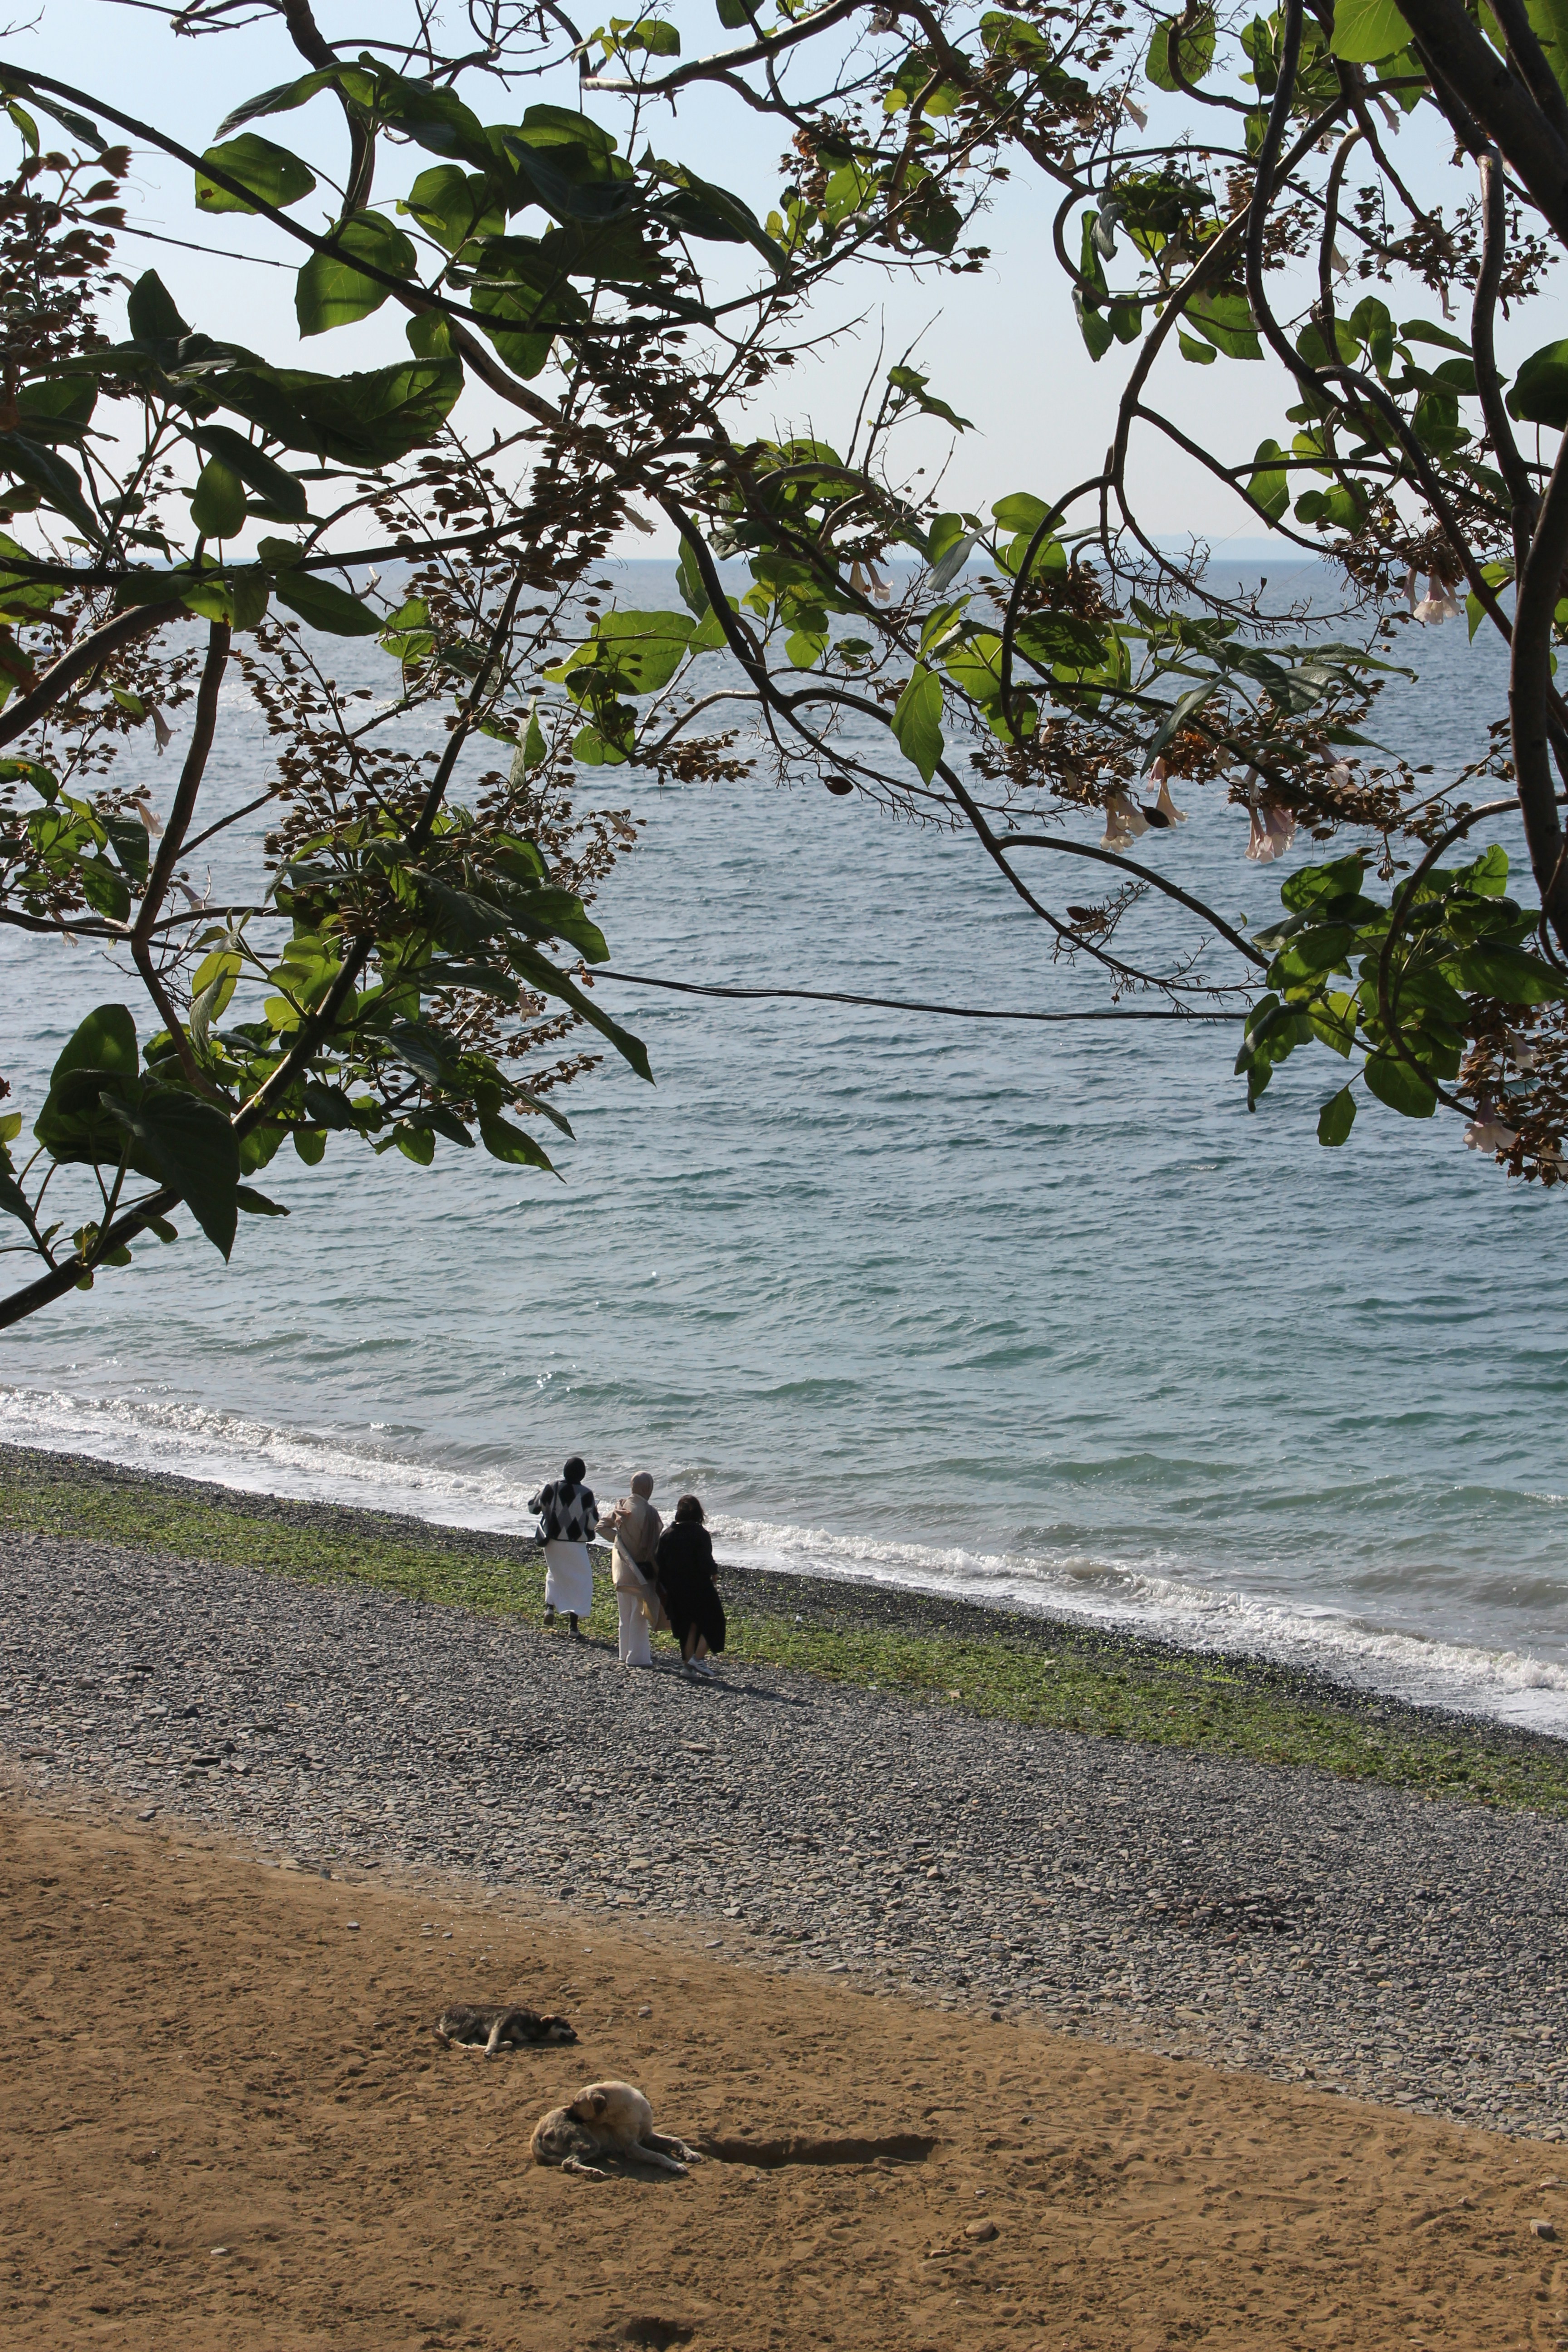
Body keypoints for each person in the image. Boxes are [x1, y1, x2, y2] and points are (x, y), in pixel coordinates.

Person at [654, 1494, 726, 1676]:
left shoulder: (667, 1535)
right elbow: (705, 1561)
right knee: (715, 1621)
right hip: (699, 1586)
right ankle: (698, 1659)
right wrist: (714, 1573)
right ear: (698, 1514)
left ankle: (687, 1666)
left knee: (688, 1625)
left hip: (675, 1588)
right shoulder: (700, 1534)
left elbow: (659, 1561)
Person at [601, 1472, 665, 1669]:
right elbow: (655, 1543)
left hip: (622, 1564)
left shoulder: (621, 1506)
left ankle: (623, 1652)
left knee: (624, 1612)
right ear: (649, 1488)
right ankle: (638, 1658)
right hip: (641, 1568)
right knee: (639, 1614)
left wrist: (619, 1542)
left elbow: (601, 1527)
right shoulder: (650, 1512)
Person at [529, 1455, 598, 1637]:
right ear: (582, 1475)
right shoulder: (587, 1494)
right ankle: (574, 1628)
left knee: (555, 1572)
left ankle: (549, 1608)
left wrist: (538, 1494)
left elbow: (533, 1508)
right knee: (580, 1581)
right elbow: (593, 1524)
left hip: (552, 1542)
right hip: (575, 1545)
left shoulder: (552, 1488)